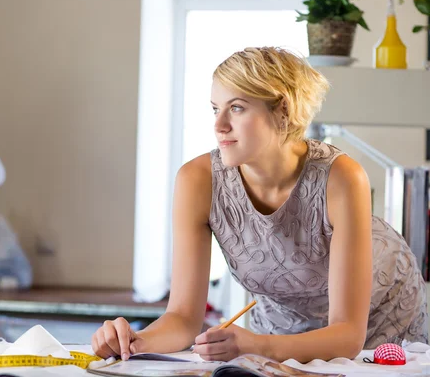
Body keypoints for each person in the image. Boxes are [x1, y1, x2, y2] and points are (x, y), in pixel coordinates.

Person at [91, 47, 428, 364]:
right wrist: (136, 342)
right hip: (280, 331)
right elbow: (182, 317)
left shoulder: (342, 177)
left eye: (236, 107)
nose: (219, 124)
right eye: (214, 108)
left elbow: (347, 336)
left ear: (282, 109)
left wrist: (256, 344)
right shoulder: (197, 180)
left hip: (383, 316)